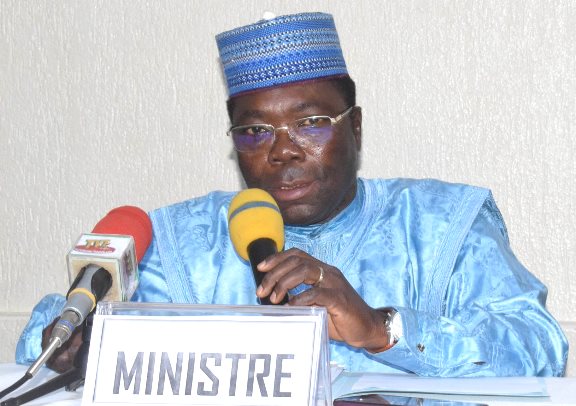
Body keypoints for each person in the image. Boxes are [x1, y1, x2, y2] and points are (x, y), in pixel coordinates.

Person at [16, 11, 568, 377]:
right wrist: (71, 344)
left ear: (356, 128)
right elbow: (38, 344)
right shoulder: (183, 241)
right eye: (256, 131)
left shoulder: (442, 223)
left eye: (310, 123)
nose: (282, 151)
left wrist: (380, 329)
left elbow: (539, 346)